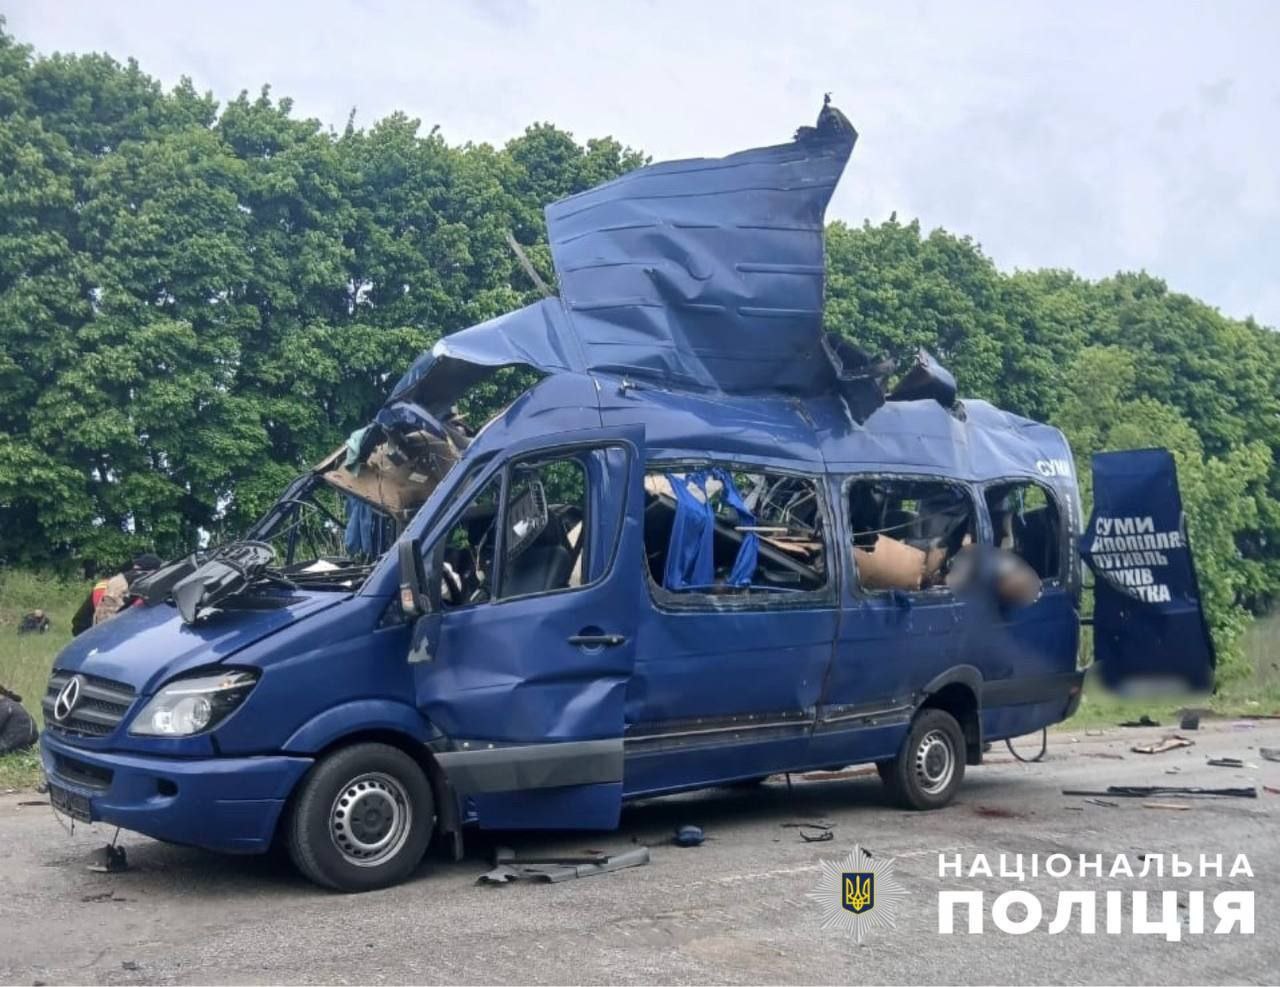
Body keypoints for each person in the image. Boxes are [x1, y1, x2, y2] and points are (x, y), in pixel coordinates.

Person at [71, 553, 163, 636]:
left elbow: (79, 623)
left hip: (100, 638)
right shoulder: (155, 590)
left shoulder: (103, 586)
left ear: (136, 566)